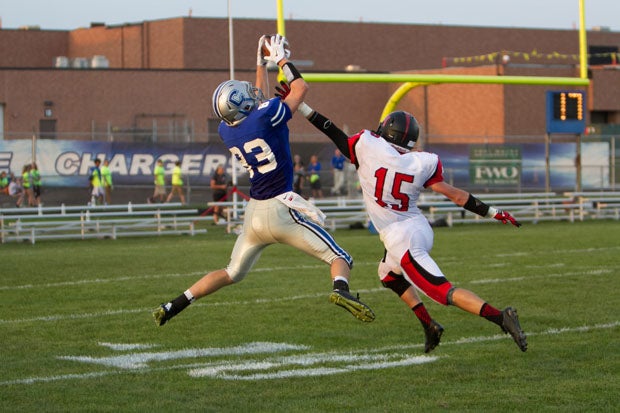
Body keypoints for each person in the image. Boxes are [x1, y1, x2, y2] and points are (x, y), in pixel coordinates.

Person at [153, 34, 374, 327]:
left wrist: (260, 63)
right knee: (341, 257)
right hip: (281, 209)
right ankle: (341, 291)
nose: (251, 94)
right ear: (241, 105)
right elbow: (300, 87)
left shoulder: (226, 130)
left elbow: (257, 98)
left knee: (232, 273)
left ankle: (173, 305)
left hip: (254, 214)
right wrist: (281, 59)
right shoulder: (265, 116)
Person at [295, 102, 527, 353]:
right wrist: (495, 213)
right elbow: (457, 196)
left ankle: (500, 317)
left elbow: (333, 132)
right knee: (387, 275)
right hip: (416, 227)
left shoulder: (367, 145)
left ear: (385, 130)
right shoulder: (423, 161)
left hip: (402, 239)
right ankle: (429, 326)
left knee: (442, 292)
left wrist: (303, 107)